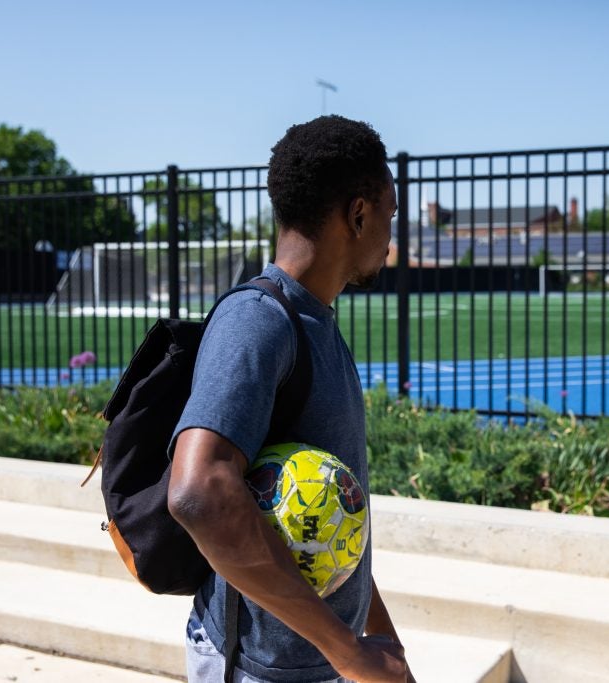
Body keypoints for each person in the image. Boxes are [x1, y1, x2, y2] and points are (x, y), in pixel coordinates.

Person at [167, 116, 411, 683]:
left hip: (317, 661)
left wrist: (377, 640)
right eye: (389, 214)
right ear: (357, 215)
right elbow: (198, 491)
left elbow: (325, 516)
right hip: (263, 667)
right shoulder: (258, 320)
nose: (391, 234)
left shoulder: (315, 322)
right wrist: (347, 652)